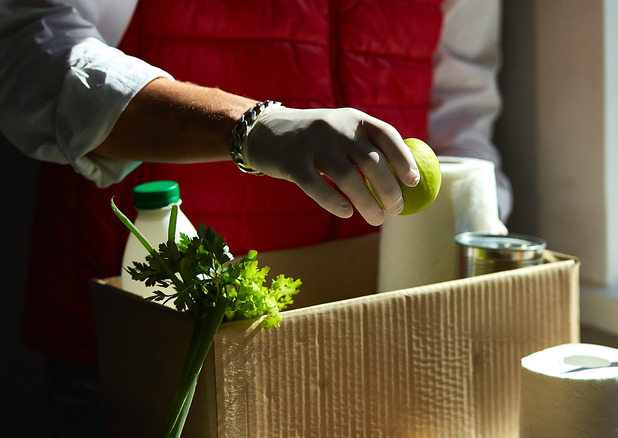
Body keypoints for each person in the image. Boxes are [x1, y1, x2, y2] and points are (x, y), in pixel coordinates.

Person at [0, 0, 512, 435]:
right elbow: (32, 54)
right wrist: (252, 127)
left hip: (371, 332)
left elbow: (460, 110)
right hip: (144, 342)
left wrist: (481, 237)